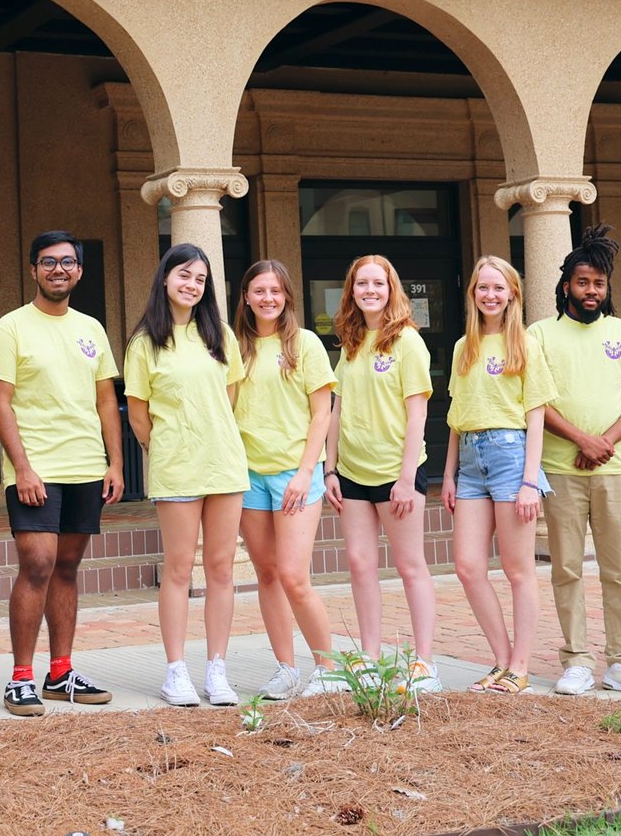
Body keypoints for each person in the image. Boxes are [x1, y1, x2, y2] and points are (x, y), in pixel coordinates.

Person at [0, 231, 124, 715]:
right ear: (33, 270)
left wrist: (116, 461)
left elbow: (107, 399)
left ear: (79, 271)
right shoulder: (11, 327)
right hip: (35, 466)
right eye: (48, 262)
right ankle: (20, 677)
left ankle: (60, 673)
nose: (58, 269)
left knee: (66, 567)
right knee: (37, 564)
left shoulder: (92, 329)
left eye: (67, 262)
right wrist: (21, 466)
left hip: (85, 464)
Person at [529, 224, 621, 698]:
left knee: (618, 569)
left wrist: (603, 442)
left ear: (607, 288)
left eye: (598, 284)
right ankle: (577, 660)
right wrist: (583, 439)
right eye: (582, 282)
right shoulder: (539, 335)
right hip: (562, 469)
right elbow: (537, 402)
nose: (590, 291)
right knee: (566, 568)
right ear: (566, 285)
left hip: (615, 470)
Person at [125, 243, 248, 707]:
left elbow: (230, 398)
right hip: (176, 467)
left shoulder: (220, 337)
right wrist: (171, 446)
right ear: (164, 279)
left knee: (220, 570)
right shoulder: (144, 343)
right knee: (178, 569)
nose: (191, 285)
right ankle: (176, 670)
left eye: (200, 279)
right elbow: (139, 415)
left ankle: (217, 669)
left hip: (224, 465)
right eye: (183, 275)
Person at [323, 254, 440, 692]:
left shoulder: (407, 342)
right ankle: (370, 657)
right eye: (361, 284)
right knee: (359, 564)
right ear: (350, 291)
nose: (369, 290)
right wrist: (329, 469)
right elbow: (336, 410)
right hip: (352, 472)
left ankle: (424, 663)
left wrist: (407, 479)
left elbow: (417, 415)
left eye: (378, 283)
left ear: (391, 289)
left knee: (410, 566)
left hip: (397, 474)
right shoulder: (351, 343)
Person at [232, 260, 348, 700]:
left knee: (294, 576)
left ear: (287, 298)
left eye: (276, 291)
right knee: (266, 574)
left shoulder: (305, 344)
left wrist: (307, 471)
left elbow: (323, 411)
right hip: (248, 476)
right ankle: (285, 668)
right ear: (245, 296)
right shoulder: (235, 346)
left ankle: (328, 668)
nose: (267, 298)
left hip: (294, 475)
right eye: (259, 290)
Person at [442, 257, 555, 696]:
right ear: (473, 294)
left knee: (517, 569)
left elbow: (536, 415)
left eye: (498, 288)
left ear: (513, 295)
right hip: (470, 460)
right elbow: (455, 416)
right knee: (468, 566)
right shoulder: (462, 347)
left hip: (511, 457)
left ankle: (521, 666)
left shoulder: (525, 344)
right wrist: (449, 474)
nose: (490, 295)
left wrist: (530, 481)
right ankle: (501, 659)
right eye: (482, 288)